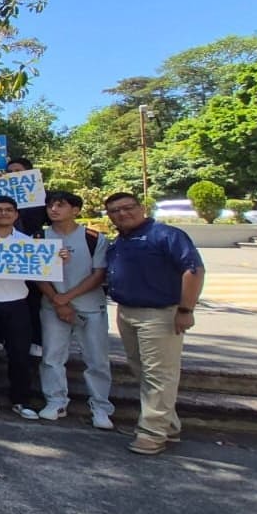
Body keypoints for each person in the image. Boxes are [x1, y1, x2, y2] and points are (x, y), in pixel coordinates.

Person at [102, 191, 205, 455]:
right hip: (127, 312)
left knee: (159, 375)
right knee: (142, 371)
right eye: (115, 211)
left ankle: (151, 434)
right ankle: (167, 425)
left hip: (160, 314)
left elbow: (193, 270)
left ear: (141, 207)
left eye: (127, 208)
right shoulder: (119, 242)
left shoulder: (167, 235)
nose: (122, 214)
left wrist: (186, 309)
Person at [0, 195, 55, 420]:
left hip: (17, 303)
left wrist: (57, 260)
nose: (3, 214)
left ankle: (21, 400)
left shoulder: (27, 241)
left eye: (8, 210)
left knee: (20, 355)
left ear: (16, 214)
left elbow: (40, 271)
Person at [37, 191, 115, 430]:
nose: (54, 210)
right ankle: (56, 401)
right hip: (52, 307)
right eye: (50, 205)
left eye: (60, 205)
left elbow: (99, 274)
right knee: (52, 356)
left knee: (97, 359)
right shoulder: (40, 237)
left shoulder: (93, 238)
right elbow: (35, 273)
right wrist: (57, 301)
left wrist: (67, 298)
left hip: (90, 307)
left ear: (76, 210)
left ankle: (101, 407)